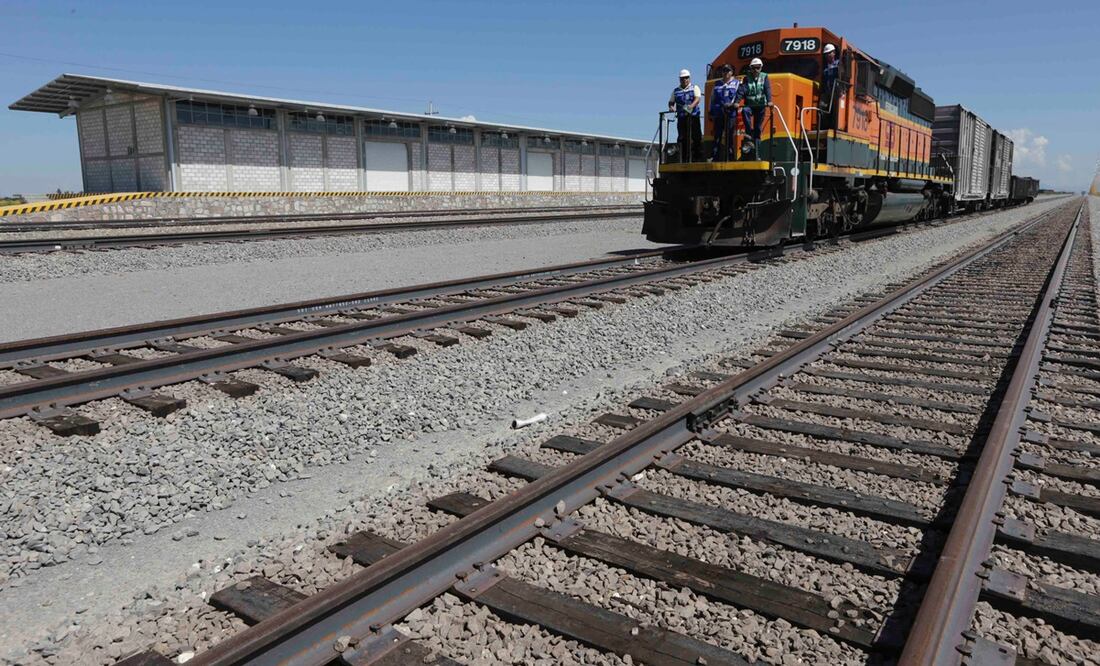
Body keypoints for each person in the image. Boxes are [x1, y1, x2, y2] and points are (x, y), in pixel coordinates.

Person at [738, 57, 771, 159]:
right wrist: (736, 102)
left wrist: (769, 100)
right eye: (753, 68)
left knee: (757, 128)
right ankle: (749, 131)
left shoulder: (765, 77)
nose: (756, 70)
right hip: (750, 105)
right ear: (750, 68)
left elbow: (767, 89)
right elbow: (742, 90)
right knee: (745, 110)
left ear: (761, 68)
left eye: (758, 67)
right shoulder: (746, 78)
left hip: (761, 106)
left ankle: (757, 153)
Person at [668, 69, 703, 162]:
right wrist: (671, 107)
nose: (684, 80)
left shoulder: (694, 87)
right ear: (679, 79)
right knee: (682, 137)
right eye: (682, 78)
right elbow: (671, 102)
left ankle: (696, 157)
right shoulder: (676, 91)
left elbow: (697, 99)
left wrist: (691, 106)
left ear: (689, 78)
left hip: (693, 117)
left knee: (696, 137)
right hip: (682, 117)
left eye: (686, 78)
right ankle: (682, 158)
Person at [709, 64, 740, 161]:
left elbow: (738, 96)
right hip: (719, 112)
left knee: (729, 135)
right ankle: (715, 156)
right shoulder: (717, 84)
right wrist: (710, 111)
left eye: (728, 70)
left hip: (730, 113)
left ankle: (730, 157)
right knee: (717, 136)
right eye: (724, 70)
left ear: (732, 72)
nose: (725, 72)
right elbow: (712, 98)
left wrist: (733, 105)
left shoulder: (736, 83)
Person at [821, 44, 840, 130]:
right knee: (822, 106)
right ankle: (823, 126)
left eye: (829, 53)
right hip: (827, 92)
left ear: (834, 53)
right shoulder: (824, 68)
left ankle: (833, 126)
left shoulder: (839, 65)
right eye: (826, 54)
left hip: (836, 92)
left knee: (835, 109)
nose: (827, 55)